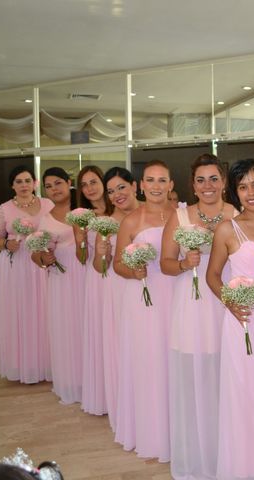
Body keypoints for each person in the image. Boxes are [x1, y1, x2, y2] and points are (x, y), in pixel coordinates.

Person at [161, 153, 237, 480]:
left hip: (230, 301)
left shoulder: (238, 214)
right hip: (192, 304)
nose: (208, 186)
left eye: (214, 179)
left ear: (224, 182)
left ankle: (230, 450)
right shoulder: (179, 217)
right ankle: (197, 450)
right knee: (196, 374)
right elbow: (165, 262)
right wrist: (183, 263)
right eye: (201, 180)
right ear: (193, 185)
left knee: (228, 373)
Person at [206, 159, 254, 480]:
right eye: (242, 186)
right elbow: (212, 276)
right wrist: (230, 303)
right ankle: (249, 468)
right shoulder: (227, 228)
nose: (251, 193)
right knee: (247, 396)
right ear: (234, 192)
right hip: (245, 322)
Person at [112, 160, 175, 461]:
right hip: (145, 299)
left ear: (171, 185)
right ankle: (152, 432)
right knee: (150, 361)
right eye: (150, 180)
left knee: (174, 360)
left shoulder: (181, 215)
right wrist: (132, 271)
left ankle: (179, 431)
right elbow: (117, 264)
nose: (156, 186)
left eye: (162, 180)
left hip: (177, 295)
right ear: (141, 185)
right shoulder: (131, 221)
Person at [0, 165, 53, 384]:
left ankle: (48, 362)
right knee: (20, 311)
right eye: (18, 181)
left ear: (34, 183)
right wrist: (6, 243)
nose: (24, 185)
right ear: (12, 185)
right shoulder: (5, 208)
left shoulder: (47, 204)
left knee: (44, 310)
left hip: (43, 261)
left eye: (27, 180)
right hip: (16, 265)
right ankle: (22, 363)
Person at [32, 167, 85, 404]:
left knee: (89, 325)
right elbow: (36, 253)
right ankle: (73, 381)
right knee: (67, 328)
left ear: (69, 182)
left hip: (89, 275)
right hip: (62, 281)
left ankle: (95, 378)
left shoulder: (85, 209)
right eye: (49, 186)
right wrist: (43, 258)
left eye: (58, 183)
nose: (54, 189)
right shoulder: (45, 218)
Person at [93, 167, 140, 432]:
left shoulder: (154, 212)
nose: (116, 195)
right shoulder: (106, 224)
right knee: (126, 347)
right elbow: (99, 268)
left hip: (151, 286)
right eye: (111, 191)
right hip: (119, 290)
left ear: (134, 185)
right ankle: (127, 407)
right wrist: (102, 254)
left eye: (121, 187)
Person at [77, 165, 112, 416]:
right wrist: (80, 237)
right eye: (84, 184)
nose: (90, 188)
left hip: (120, 276)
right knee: (102, 332)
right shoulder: (81, 217)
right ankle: (103, 394)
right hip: (96, 277)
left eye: (93, 182)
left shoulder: (119, 208)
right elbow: (81, 258)